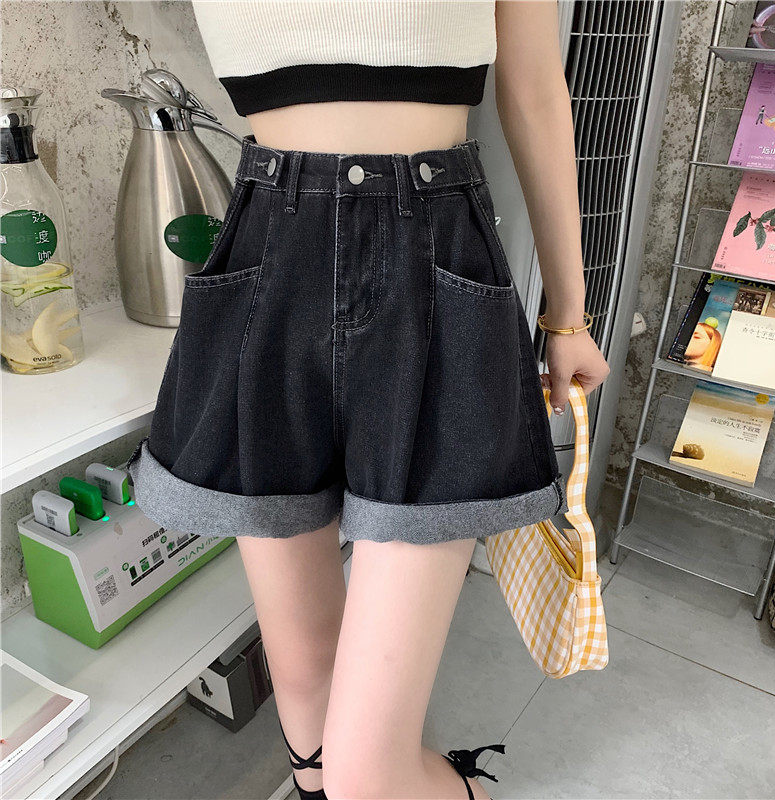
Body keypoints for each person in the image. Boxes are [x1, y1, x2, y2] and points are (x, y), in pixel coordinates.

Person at [126, 2, 610, 798]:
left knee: (365, 777)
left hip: (433, 251)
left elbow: (533, 86)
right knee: (306, 699)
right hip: (268, 250)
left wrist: (568, 313)